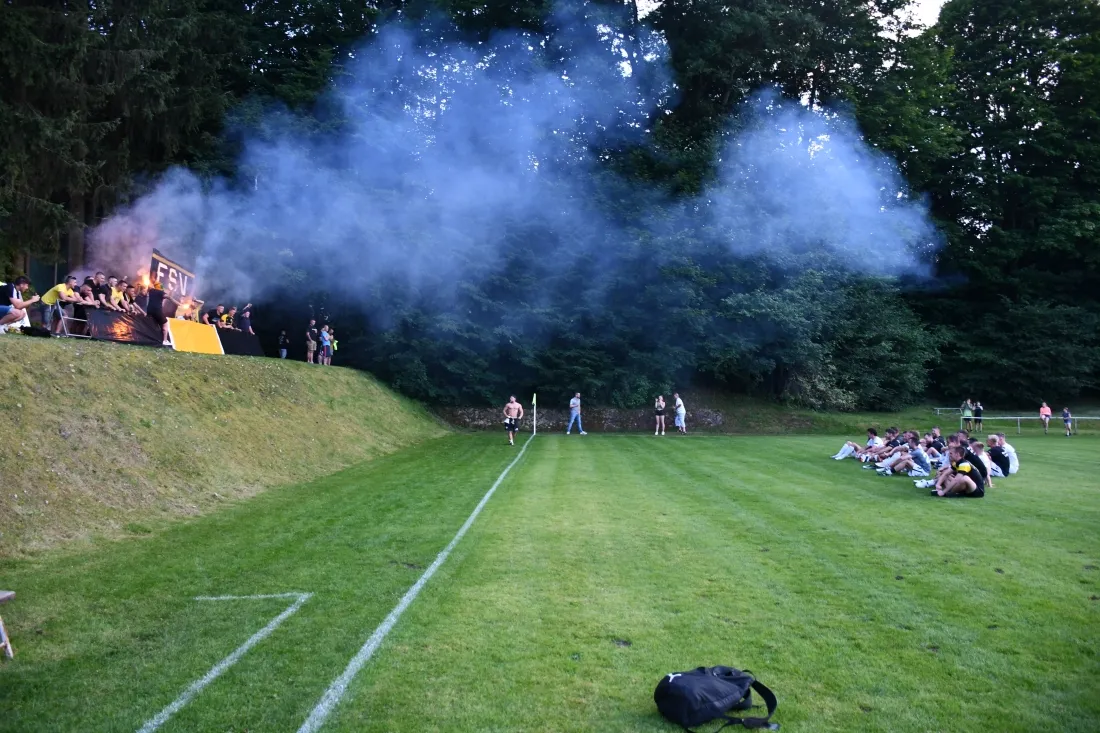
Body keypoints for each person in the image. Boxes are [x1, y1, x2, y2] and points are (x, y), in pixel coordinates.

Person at [146, 281, 171, 346]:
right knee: (165, 323)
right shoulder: (161, 292)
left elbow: (148, 289)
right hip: (157, 311)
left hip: (149, 310)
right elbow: (167, 296)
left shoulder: (151, 291)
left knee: (152, 323)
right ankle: (165, 340)